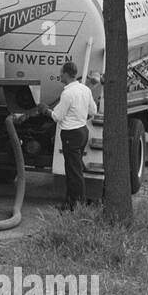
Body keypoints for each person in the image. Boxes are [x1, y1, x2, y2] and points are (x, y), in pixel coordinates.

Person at [41, 61, 98, 211]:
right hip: (82, 131)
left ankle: (77, 205)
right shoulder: (85, 89)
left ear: (66, 74)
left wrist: (45, 110)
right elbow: (93, 110)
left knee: (73, 171)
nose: (60, 75)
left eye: (61, 73)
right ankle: (70, 202)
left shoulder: (67, 93)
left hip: (71, 135)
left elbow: (57, 116)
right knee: (74, 168)